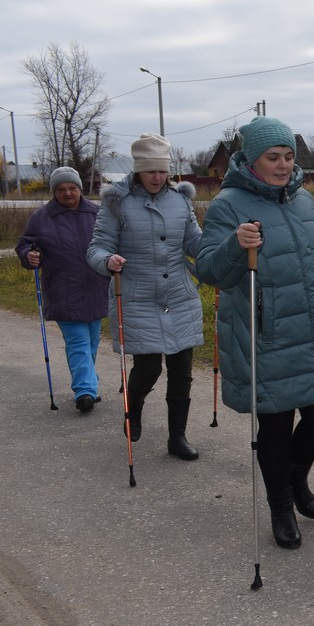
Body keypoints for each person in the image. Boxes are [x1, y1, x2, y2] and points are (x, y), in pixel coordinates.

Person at [195, 116, 314, 550]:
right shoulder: (227, 205)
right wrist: (235, 243)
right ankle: (281, 506)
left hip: (308, 325)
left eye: (289, 156)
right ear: (252, 160)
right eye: (274, 157)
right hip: (262, 332)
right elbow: (211, 270)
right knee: (274, 424)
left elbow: (312, 263)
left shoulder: (302, 201)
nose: (284, 164)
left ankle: (294, 477)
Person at [87, 133, 205, 459]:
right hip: (138, 296)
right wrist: (107, 261)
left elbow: (194, 243)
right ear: (138, 169)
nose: (157, 177)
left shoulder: (180, 200)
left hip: (179, 296)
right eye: (150, 170)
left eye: (162, 170)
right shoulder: (117, 202)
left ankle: (177, 437)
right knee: (149, 367)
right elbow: (97, 248)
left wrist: (219, 253)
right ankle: (133, 407)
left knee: (182, 371)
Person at [15, 167, 110, 412]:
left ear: (80, 189)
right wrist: (29, 256)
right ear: (54, 192)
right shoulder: (42, 217)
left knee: (91, 341)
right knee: (78, 341)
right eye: (61, 190)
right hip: (63, 289)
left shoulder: (97, 213)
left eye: (72, 188)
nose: (67, 193)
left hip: (96, 286)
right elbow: (25, 245)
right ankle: (85, 391)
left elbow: (111, 241)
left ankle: (90, 384)